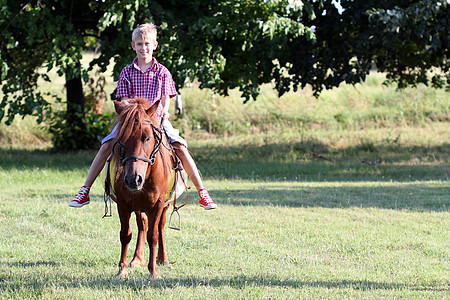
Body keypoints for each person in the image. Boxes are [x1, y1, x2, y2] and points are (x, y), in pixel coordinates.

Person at [69, 23, 217, 210]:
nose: (143, 48)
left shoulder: (162, 72)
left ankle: (202, 192)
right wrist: (131, 113)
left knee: (180, 146)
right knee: (106, 146)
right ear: (133, 46)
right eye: (139, 44)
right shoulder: (126, 72)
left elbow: (165, 100)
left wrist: (162, 112)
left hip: (156, 120)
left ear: (154, 45)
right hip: (132, 122)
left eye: (147, 43)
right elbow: (123, 101)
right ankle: (85, 190)